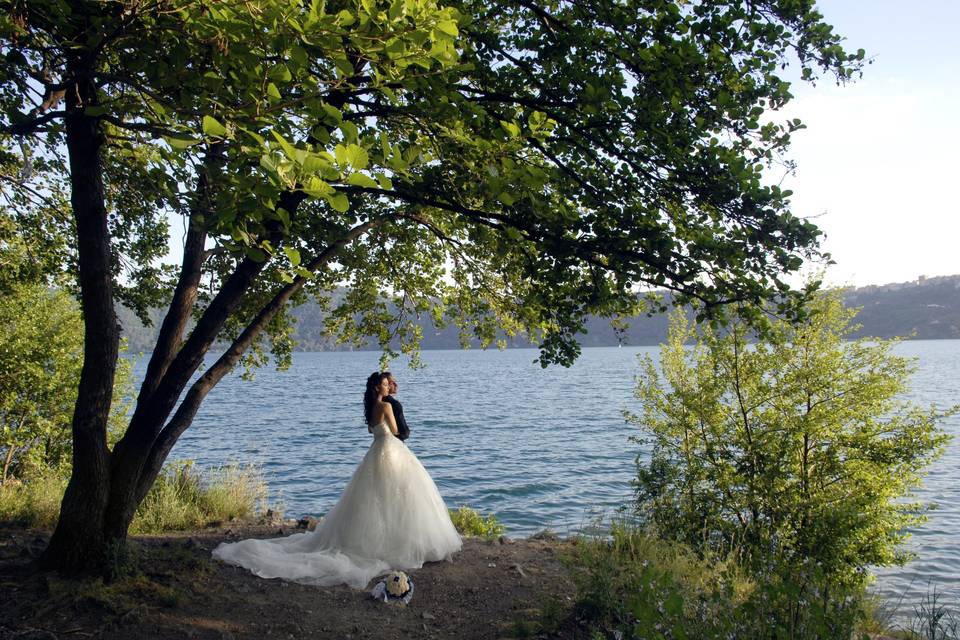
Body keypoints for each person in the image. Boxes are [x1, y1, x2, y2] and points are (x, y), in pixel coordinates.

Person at [211, 372, 461, 588]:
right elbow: (396, 431)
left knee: (376, 499)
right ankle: (403, 544)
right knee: (400, 496)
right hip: (392, 451)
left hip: (376, 452)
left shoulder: (370, 408)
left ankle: (387, 544)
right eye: (385, 383)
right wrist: (396, 412)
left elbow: (372, 430)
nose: (388, 386)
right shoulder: (385, 405)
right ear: (378, 387)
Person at [382, 371, 409, 441]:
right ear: (386, 384)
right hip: (395, 441)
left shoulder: (375, 403)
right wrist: (405, 434)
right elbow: (401, 429)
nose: (396, 385)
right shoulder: (392, 404)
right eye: (392, 383)